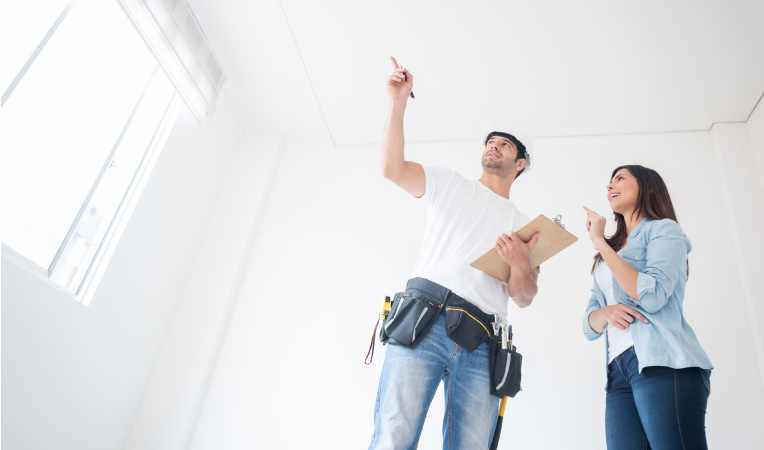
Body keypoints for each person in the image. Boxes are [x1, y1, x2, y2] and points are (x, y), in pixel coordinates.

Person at [369, 56, 540, 450]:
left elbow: (525, 296)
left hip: (482, 344)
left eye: (505, 144)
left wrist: (518, 263)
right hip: (422, 321)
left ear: (521, 163)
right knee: (393, 438)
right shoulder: (450, 183)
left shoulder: (527, 226)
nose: (495, 146)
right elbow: (392, 168)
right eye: (491, 142)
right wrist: (398, 103)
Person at [582, 165, 713, 450]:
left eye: (620, 178)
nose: (610, 186)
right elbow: (588, 325)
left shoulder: (664, 231)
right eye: (608, 182)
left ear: (648, 187)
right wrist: (605, 313)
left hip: (663, 363)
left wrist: (601, 243)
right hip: (618, 371)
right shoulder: (610, 252)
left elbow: (651, 297)